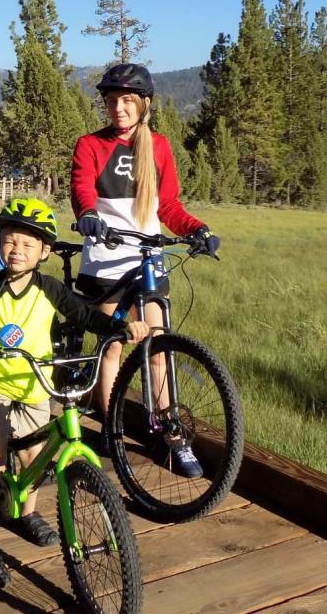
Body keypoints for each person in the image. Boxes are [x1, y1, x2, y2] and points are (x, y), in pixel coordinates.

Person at [0, 197, 149, 589]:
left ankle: (26, 513)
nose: (17, 250)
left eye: (28, 245)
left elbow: (82, 314)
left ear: (45, 252)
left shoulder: (50, 289)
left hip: (36, 383)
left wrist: (118, 329)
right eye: (10, 241)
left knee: (34, 457)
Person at [70, 63, 220, 478]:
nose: (118, 108)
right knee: (112, 347)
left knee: (157, 347)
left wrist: (197, 229)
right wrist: (87, 215)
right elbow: (82, 190)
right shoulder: (90, 145)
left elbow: (168, 206)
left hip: (148, 258)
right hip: (104, 258)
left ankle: (172, 434)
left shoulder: (159, 147)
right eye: (111, 101)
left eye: (127, 101)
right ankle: (111, 426)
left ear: (143, 104)